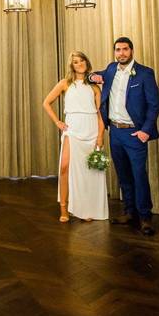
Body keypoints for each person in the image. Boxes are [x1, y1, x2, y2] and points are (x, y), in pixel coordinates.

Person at [89, 37, 159, 236]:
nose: (121, 53)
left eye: (125, 49)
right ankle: (130, 213)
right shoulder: (111, 69)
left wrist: (145, 130)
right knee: (123, 175)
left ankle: (145, 217)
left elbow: (154, 105)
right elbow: (95, 76)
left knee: (139, 175)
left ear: (132, 51)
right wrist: (92, 78)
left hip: (134, 133)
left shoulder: (145, 73)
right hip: (116, 132)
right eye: (118, 50)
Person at [42, 52, 108, 223]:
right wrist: (57, 122)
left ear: (87, 62)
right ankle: (64, 208)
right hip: (73, 130)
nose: (79, 64)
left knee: (89, 171)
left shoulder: (94, 87)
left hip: (91, 130)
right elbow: (46, 102)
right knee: (65, 167)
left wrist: (100, 136)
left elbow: (100, 113)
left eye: (82, 60)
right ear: (72, 66)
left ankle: (85, 208)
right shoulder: (65, 84)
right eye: (75, 62)